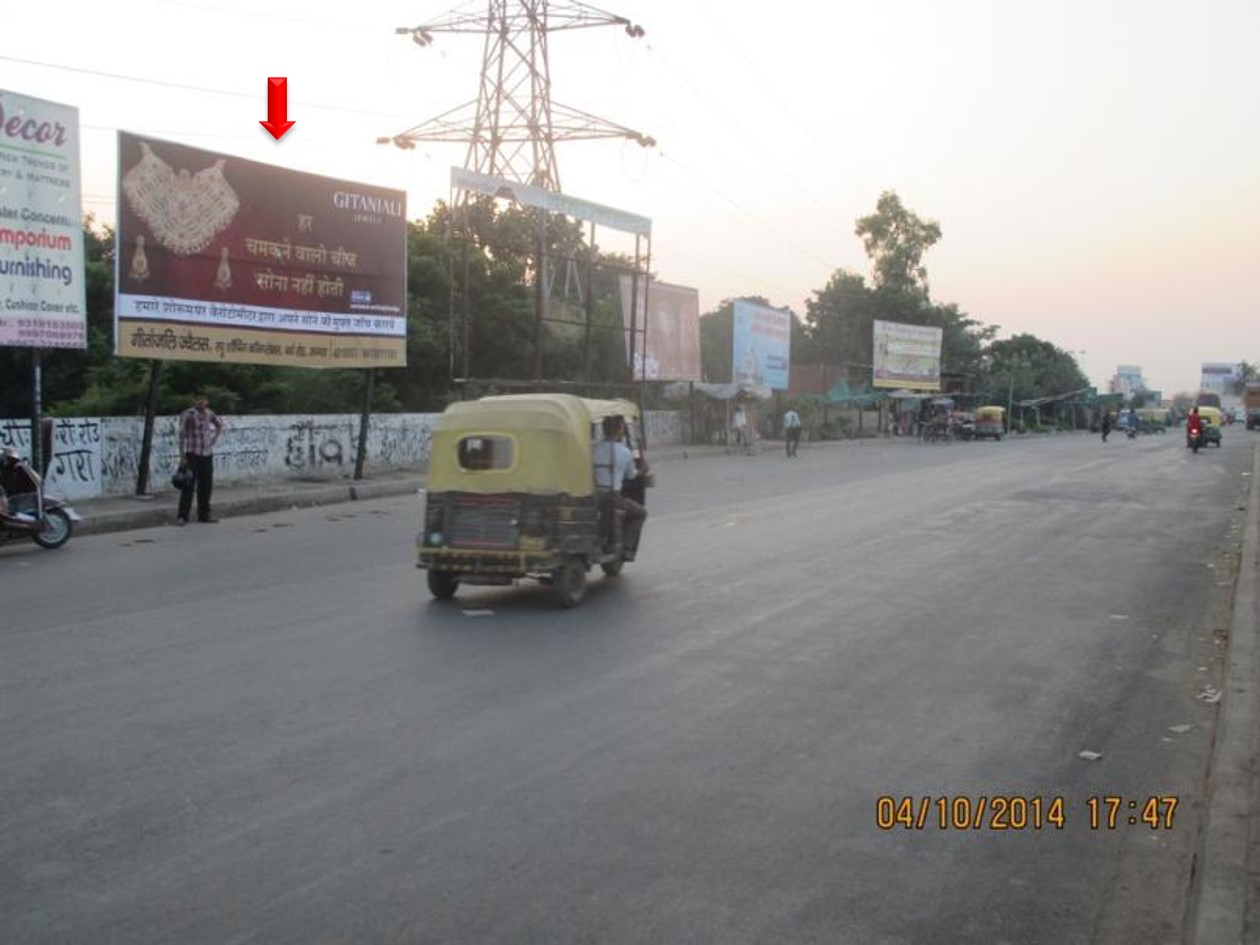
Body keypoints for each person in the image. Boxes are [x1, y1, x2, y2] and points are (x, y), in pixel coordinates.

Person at [592, 415, 648, 559]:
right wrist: (642, 470)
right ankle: (625, 547)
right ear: (619, 430)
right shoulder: (624, 452)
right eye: (622, 427)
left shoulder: (593, 449)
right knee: (641, 513)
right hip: (612, 498)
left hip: (593, 497)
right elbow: (631, 475)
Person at [176, 391, 225, 525]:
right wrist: (182, 456)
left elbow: (220, 425)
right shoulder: (188, 414)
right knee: (188, 486)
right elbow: (181, 435)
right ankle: (182, 516)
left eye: (203, 399)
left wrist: (213, 440)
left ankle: (204, 515)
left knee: (206, 486)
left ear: (207, 401)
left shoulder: (210, 413)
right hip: (192, 454)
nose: (201, 402)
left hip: (207, 454)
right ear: (194, 401)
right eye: (198, 399)